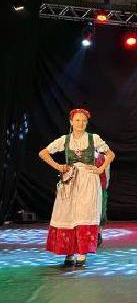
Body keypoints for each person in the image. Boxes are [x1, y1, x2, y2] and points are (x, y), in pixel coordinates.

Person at [38, 108, 115, 267]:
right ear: (71, 122)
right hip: (70, 181)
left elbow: (110, 154)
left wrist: (101, 168)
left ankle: (81, 252)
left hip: (88, 180)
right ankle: (69, 251)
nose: (81, 123)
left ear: (87, 123)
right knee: (68, 214)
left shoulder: (93, 138)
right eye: (78, 120)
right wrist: (58, 166)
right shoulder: (65, 139)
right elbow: (43, 153)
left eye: (84, 121)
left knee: (84, 213)